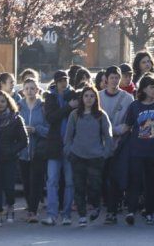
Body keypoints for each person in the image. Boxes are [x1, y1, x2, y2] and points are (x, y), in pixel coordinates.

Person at [123, 74, 154, 225]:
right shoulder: (135, 106)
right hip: (136, 151)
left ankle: (149, 212)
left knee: (151, 184)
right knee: (135, 182)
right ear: (144, 89)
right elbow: (128, 126)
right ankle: (131, 211)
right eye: (152, 87)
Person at [64, 86, 113, 227]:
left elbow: (108, 136)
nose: (89, 98)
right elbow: (68, 136)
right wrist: (69, 151)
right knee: (79, 187)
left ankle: (96, 206)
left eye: (92, 96)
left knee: (95, 186)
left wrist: (106, 153)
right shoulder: (74, 114)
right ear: (82, 98)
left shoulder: (101, 115)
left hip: (96, 157)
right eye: (86, 96)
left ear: (96, 98)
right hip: (77, 156)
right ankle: (82, 215)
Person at [98, 66, 134, 225]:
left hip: (121, 144)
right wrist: (109, 132)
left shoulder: (128, 98)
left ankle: (112, 210)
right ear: (106, 79)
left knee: (115, 176)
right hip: (100, 144)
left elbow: (128, 124)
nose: (114, 81)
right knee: (101, 177)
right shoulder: (98, 97)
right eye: (111, 77)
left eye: (116, 78)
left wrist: (116, 131)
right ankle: (102, 206)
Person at [42, 70, 77, 226]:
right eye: (61, 80)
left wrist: (69, 106)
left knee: (70, 181)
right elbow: (51, 118)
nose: (64, 83)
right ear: (55, 82)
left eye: (66, 80)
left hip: (70, 145)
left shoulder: (75, 95)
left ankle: (67, 214)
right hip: (55, 145)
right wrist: (68, 107)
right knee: (52, 181)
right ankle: (52, 214)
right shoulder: (50, 97)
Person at [0, 91, 27, 227]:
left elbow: (24, 140)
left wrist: (12, 150)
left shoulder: (16, 119)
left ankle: (10, 208)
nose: (0, 104)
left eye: (3, 101)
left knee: (9, 187)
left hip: (10, 159)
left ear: (8, 102)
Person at [17, 78, 48, 223]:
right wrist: (21, 131)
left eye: (32, 88)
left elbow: (49, 130)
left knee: (36, 181)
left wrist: (36, 129)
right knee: (26, 182)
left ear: (37, 90)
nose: (29, 91)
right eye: (27, 88)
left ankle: (33, 212)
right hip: (23, 151)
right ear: (23, 91)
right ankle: (30, 209)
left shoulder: (43, 107)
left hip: (39, 150)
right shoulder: (18, 106)